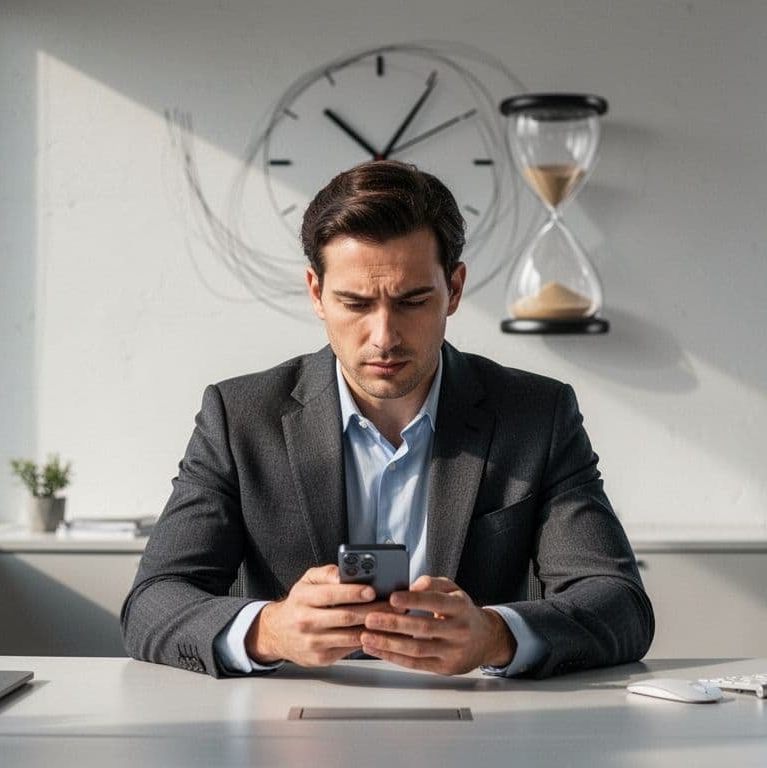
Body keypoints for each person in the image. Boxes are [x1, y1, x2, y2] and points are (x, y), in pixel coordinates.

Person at [122, 160, 653, 678]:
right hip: (288, 734)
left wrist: (496, 636)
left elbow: (619, 603)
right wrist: (271, 630)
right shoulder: (239, 418)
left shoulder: (537, 416)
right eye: (354, 303)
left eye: (413, 300)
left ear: (455, 290)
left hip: (484, 730)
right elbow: (151, 603)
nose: (384, 337)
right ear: (316, 294)